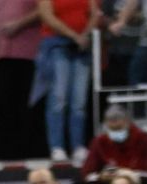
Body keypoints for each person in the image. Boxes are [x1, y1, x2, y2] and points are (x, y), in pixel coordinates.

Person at [38, 0, 95, 165]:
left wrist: (85, 34)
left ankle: (78, 146)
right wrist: (73, 35)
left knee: (79, 101)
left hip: (81, 47)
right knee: (58, 98)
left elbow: (93, 14)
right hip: (56, 45)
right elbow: (47, 16)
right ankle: (57, 146)